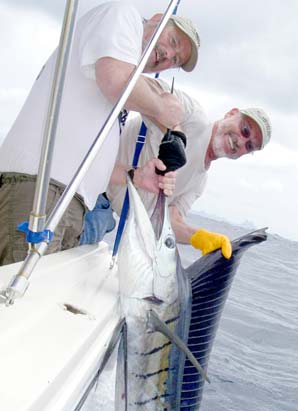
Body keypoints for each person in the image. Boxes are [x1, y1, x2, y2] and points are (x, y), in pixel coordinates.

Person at [0, 2, 200, 266]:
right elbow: (115, 79)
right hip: (42, 190)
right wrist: (168, 110)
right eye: (172, 41)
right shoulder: (122, 14)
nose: (168, 55)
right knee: (21, 300)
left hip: (69, 201)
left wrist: (135, 176)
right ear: (156, 19)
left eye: (175, 60)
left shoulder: (122, 84)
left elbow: (87, 159)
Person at [86, 77, 271, 259]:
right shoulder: (192, 115)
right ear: (231, 113)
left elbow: (170, 220)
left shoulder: (200, 182)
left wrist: (197, 236)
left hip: (103, 217)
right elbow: (133, 81)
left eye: (249, 146)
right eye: (245, 130)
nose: (241, 141)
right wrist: (175, 130)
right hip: (87, 185)